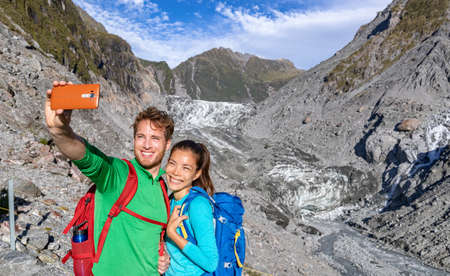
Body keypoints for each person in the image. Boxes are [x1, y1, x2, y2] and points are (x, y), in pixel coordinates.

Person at [45, 81, 171, 275]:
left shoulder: (163, 186)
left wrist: (163, 256)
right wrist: (60, 130)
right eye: (140, 137)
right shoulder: (119, 174)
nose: (146, 145)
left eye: (155, 138)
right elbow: (85, 157)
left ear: (167, 144)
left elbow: (150, 236)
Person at [164, 140, 219, 275]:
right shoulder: (170, 201)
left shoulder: (198, 205)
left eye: (186, 168)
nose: (176, 172)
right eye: (172, 163)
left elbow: (211, 263)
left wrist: (172, 234)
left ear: (196, 174)